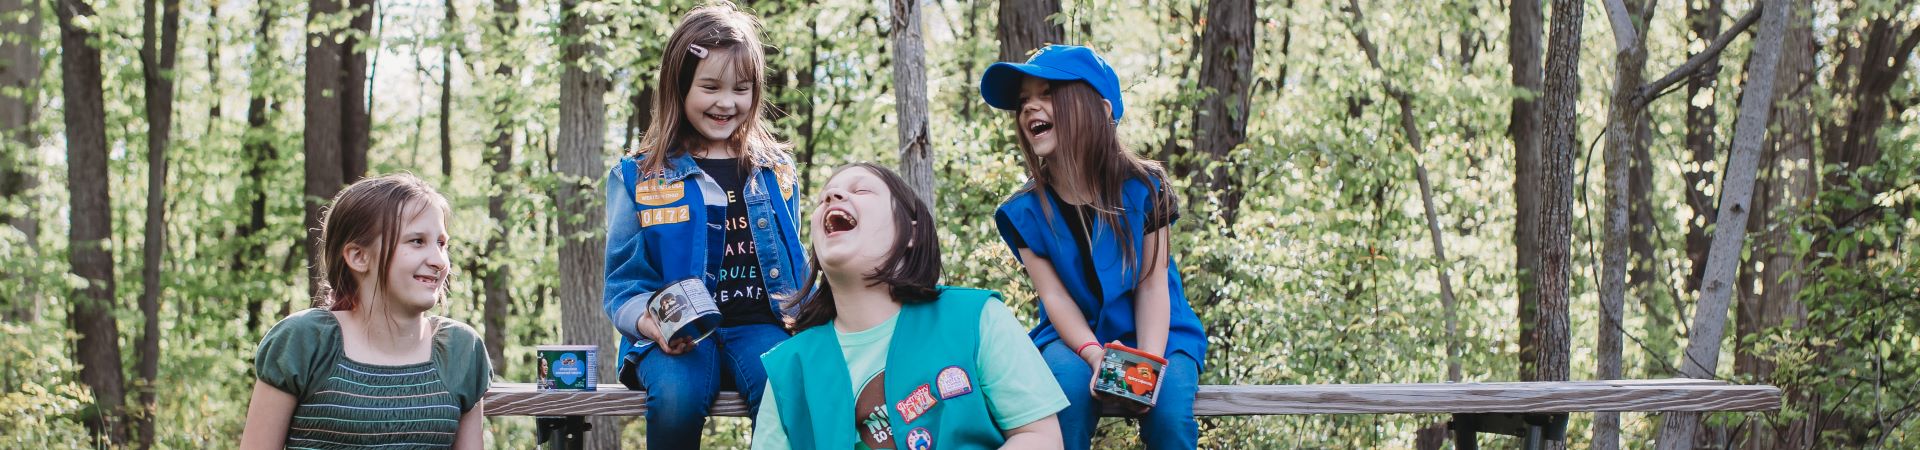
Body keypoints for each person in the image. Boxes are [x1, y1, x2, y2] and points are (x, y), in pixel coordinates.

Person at [978, 45, 1209, 450]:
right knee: (1061, 404)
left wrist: (1146, 367)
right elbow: (1053, 297)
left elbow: (1153, 287)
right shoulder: (1024, 213)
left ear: (1100, 110)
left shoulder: (1146, 188)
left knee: (1170, 417)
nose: (1030, 107)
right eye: (1022, 101)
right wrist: (1091, 354)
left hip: (1159, 332)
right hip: (1072, 336)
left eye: (1047, 92)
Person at [752, 163, 1068, 450]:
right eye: (823, 199)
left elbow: (1039, 436)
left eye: (860, 190)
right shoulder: (788, 370)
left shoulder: (975, 319)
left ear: (911, 233)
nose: (832, 196)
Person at [602, 1, 805, 446]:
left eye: (742, 89)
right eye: (710, 86)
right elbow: (622, 284)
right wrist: (654, 324)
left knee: (787, 385)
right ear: (680, 87)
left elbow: (798, 265)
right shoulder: (637, 178)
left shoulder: (776, 171)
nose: (726, 102)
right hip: (676, 334)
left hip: (759, 325)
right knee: (676, 395)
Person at [240, 173, 490, 449]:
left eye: (441, 244)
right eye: (417, 241)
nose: (439, 261)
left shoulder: (461, 351)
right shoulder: (305, 341)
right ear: (359, 257)